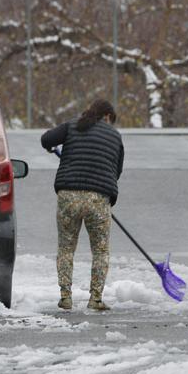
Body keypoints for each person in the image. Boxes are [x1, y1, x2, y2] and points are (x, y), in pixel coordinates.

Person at [41, 99, 124, 311]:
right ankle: (95, 298)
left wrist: (54, 145)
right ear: (106, 116)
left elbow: (46, 139)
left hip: (68, 196)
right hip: (98, 199)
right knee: (100, 251)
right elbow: (117, 171)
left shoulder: (72, 125)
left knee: (66, 248)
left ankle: (65, 296)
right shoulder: (115, 136)